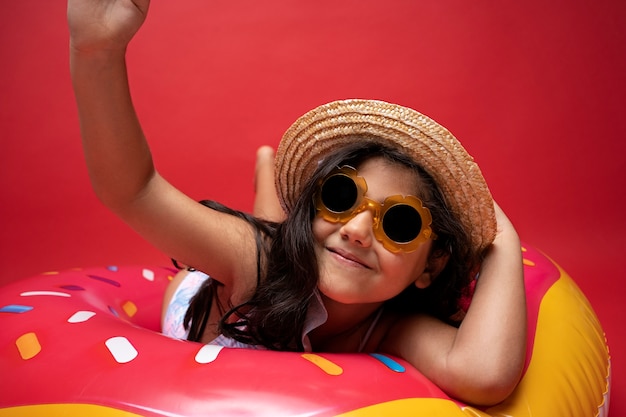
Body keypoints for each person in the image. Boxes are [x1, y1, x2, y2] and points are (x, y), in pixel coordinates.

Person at [68, 0, 526, 406]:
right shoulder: (253, 258)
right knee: (270, 234)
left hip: (297, 254)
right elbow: (134, 190)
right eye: (341, 197)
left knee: (283, 231)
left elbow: (484, 376)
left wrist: (502, 237)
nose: (358, 230)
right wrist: (97, 51)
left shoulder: (388, 326)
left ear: (430, 266)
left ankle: (271, 182)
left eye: (400, 224)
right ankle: (268, 174)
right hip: (243, 277)